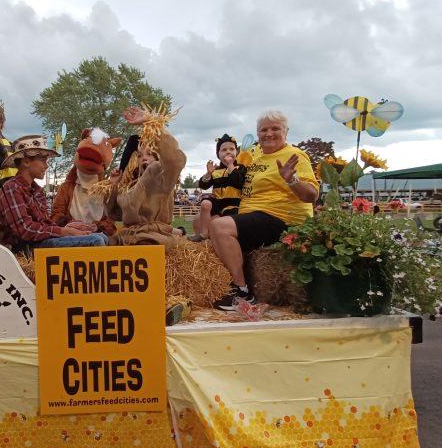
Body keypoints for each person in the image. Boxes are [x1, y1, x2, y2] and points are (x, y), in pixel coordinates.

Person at [209, 111, 318, 309]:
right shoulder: (256, 156)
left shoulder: (295, 155)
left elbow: (311, 196)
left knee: (220, 227)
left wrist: (291, 180)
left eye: (275, 128)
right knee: (210, 225)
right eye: (263, 130)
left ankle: (241, 292)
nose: (268, 134)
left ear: (286, 131)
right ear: (257, 133)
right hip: (256, 216)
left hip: (281, 217)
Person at [0, 134, 108, 252]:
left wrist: (69, 228)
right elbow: (24, 230)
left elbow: (45, 223)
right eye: (43, 160)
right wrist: (64, 231)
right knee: (96, 240)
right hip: (27, 247)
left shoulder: (37, 190)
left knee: (102, 237)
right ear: (27, 161)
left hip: (41, 241)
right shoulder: (12, 188)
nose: (47, 165)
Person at [105, 104, 187, 247]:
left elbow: (173, 160)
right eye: (140, 155)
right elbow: (114, 214)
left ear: (158, 157)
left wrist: (151, 122)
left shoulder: (162, 176)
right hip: (128, 237)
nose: (144, 158)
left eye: (150, 154)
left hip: (153, 239)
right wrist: (113, 184)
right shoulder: (132, 186)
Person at [51, 128, 121, 236]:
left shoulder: (105, 191)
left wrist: (97, 227)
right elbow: (56, 214)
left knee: (99, 239)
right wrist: (70, 225)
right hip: (70, 235)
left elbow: (111, 219)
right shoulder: (66, 187)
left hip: (97, 236)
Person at [190, 134, 246, 242]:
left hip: (233, 204)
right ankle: (203, 233)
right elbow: (203, 185)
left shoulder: (240, 168)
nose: (228, 152)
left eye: (231, 149)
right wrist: (208, 174)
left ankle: (228, 241)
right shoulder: (216, 171)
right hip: (217, 202)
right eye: (224, 150)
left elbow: (239, 182)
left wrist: (230, 165)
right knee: (205, 203)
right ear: (218, 154)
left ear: (236, 152)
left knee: (222, 222)